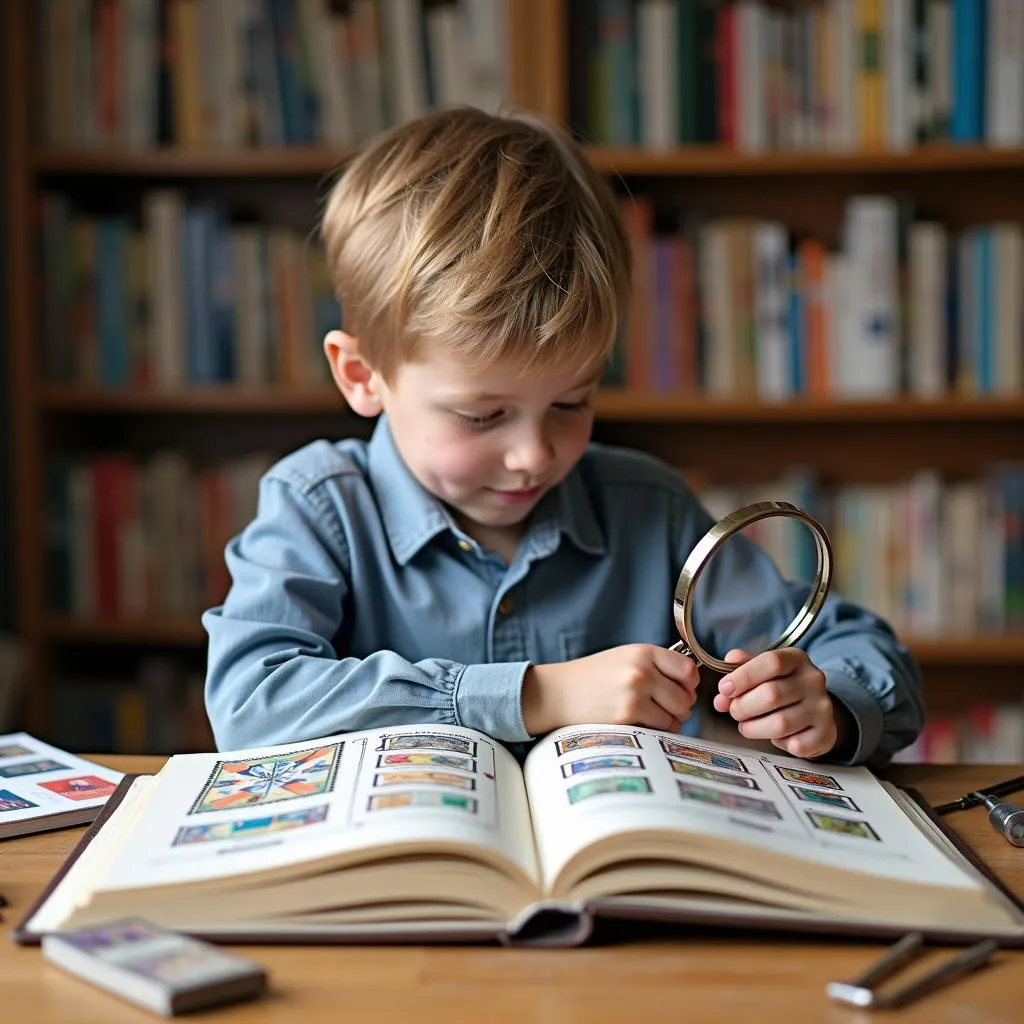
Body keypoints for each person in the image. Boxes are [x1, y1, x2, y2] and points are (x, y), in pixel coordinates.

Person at [203, 106, 924, 767]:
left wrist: (823, 703)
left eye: (572, 402)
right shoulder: (318, 508)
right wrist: (533, 696)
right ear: (362, 376)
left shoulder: (651, 509)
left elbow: (868, 653)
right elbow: (249, 703)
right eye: (482, 415)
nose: (534, 455)